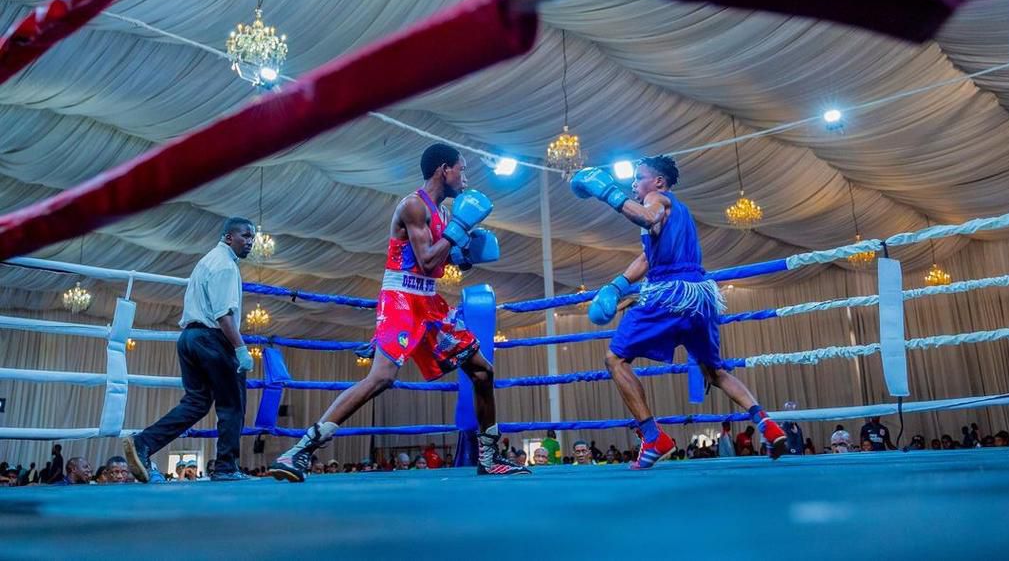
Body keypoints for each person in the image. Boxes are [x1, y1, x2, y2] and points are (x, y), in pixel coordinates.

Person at [270, 144, 528, 481]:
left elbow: (442, 262)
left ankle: (490, 456)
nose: (465, 178)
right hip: (401, 299)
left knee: (482, 371)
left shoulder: (444, 215)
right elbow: (428, 260)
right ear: (443, 169)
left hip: (430, 301)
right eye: (461, 170)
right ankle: (299, 451)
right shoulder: (412, 206)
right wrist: (456, 233)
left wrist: (466, 253)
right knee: (381, 377)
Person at [572, 157, 787, 469]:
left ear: (659, 182)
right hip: (700, 296)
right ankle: (766, 422)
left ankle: (652, 435)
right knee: (715, 371)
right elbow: (648, 258)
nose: (634, 184)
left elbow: (646, 217)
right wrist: (617, 286)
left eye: (639, 177)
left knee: (615, 359)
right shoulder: (680, 213)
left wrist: (607, 192)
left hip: (669, 294)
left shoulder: (655, 199)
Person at [123, 217, 256, 483]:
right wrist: (241, 348)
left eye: (252, 237)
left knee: (196, 403)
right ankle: (226, 467)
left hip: (189, 338)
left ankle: (144, 443)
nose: (250, 242)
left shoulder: (207, 260)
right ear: (229, 237)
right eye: (245, 236)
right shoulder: (226, 265)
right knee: (232, 404)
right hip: (212, 338)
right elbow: (223, 315)